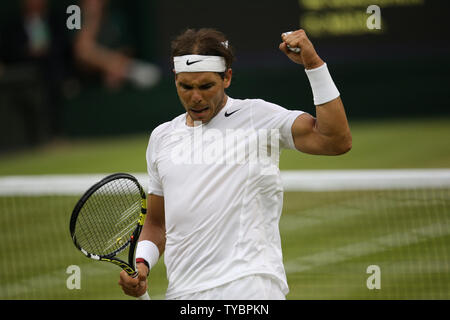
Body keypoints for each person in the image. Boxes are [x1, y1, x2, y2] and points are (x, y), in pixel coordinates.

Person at [118, 28, 352, 300]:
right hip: (183, 293)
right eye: (186, 86)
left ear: (227, 77)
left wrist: (314, 65)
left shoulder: (257, 117)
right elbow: (158, 223)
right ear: (175, 80)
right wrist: (142, 263)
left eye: (206, 86)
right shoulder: (161, 138)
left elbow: (335, 141)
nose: (195, 97)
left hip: (249, 288)